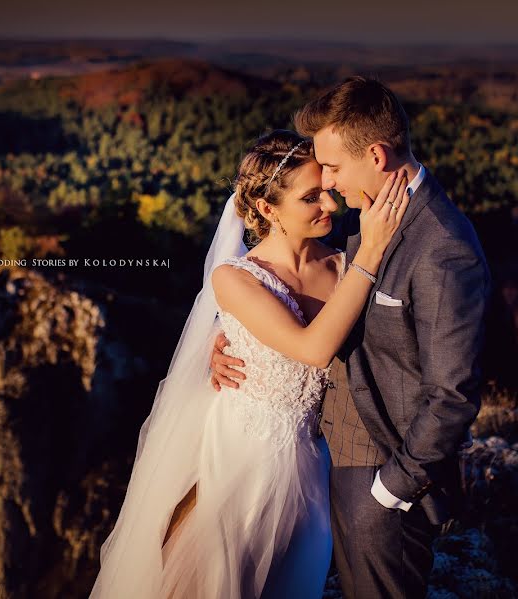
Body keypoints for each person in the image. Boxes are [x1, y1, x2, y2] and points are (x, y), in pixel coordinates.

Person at [90, 127, 410, 598]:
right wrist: (371, 254)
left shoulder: (343, 266)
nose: (330, 206)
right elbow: (312, 349)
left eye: (327, 190)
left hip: (312, 464)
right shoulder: (236, 279)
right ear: (266, 209)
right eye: (311, 198)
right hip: (238, 461)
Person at [211, 77, 491, 598]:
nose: (332, 192)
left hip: (380, 473)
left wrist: (392, 489)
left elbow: (453, 392)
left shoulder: (441, 248)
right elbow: (315, 323)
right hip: (309, 463)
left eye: (333, 171)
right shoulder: (372, 222)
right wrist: (231, 339)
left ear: (378, 156)